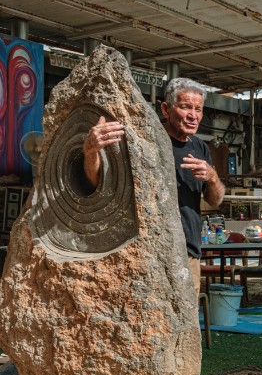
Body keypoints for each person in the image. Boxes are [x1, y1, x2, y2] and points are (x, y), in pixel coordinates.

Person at [82, 77, 224, 295]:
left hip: (188, 253)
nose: (193, 115)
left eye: (198, 109)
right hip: (148, 248)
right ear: (166, 109)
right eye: (185, 107)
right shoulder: (143, 140)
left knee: (185, 323)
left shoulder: (199, 147)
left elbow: (215, 200)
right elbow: (98, 183)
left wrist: (213, 178)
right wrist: (91, 152)